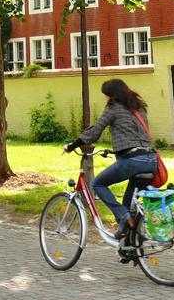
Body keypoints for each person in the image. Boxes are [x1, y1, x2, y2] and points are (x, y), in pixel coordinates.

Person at [63, 78, 157, 239]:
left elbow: (94, 132)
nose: (106, 98)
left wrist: (72, 146)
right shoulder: (139, 107)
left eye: (106, 95)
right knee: (128, 204)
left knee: (98, 184)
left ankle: (124, 217)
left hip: (133, 160)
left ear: (113, 95)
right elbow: (135, 134)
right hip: (151, 160)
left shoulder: (113, 107)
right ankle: (129, 241)